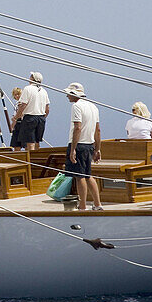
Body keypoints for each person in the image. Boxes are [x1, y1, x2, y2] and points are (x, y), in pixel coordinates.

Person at [64, 83, 102, 211]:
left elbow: (78, 127)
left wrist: (73, 149)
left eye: (69, 93)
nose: (67, 95)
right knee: (88, 175)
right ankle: (97, 204)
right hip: (89, 145)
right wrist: (97, 149)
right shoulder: (93, 107)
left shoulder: (76, 106)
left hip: (79, 145)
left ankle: (83, 206)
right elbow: (98, 130)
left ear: (74, 94)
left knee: (79, 176)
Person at [12, 71, 50, 151]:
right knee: (37, 142)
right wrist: (43, 117)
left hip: (30, 118)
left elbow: (23, 105)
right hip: (41, 118)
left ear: (33, 79)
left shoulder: (28, 89)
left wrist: (16, 117)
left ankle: (31, 161)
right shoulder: (44, 91)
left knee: (30, 142)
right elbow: (47, 108)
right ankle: (37, 159)